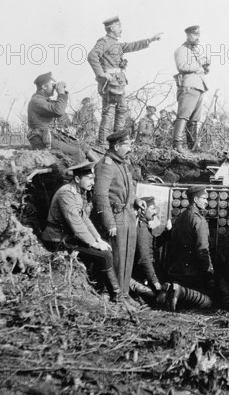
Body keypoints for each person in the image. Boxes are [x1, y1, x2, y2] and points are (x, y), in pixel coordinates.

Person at [41, 162, 126, 304]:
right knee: (104, 255)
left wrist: (98, 239)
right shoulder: (66, 193)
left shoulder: (77, 193)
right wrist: (93, 243)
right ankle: (116, 296)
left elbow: (85, 219)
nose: (93, 182)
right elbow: (76, 223)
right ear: (77, 179)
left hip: (68, 239)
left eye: (93, 178)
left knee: (104, 251)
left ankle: (107, 292)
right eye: (89, 178)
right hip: (57, 240)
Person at [87, 16, 162, 146]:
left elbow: (131, 46)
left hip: (118, 83)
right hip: (110, 84)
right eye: (119, 26)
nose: (121, 29)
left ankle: (117, 142)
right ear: (111, 28)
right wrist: (101, 74)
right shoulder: (104, 42)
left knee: (121, 111)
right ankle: (103, 144)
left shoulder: (115, 43)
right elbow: (92, 55)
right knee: (109, 113)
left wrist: (150, 40)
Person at [92, 130, 147, 296]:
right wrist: (109, 223)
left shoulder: (121, 164)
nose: (130, 148)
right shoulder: (106, 165)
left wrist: (136, 200)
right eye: (127, 144)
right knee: (117, 258)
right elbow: (100, 195)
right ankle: (113, 295)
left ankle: (124, 293)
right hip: (116, 217)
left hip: (127, 215)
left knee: (127, 257)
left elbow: (126, 190)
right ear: (116, 146)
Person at [27, 72, 93, 162]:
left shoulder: (44, 100)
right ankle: (83, 175)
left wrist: (63, 93)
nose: (54, 87)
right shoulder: (37, 101)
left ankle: (100, 169)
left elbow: (60, 109)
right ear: (44, 87)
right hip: (42, 140)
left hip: (50, 137)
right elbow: (58, 111)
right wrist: (61, 93)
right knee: (76, 152)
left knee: (84, 147)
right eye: (52, 85)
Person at [167, 186, 214, 309]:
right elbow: (202, 249)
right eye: (203, 198)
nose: (206, 201)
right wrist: (209, 270)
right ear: (195, 199)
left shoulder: (182, 216)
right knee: (206, 303)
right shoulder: (199, 220)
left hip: (179, 267)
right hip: (193, 270)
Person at [173, 25, 209, 153]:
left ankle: (192, 145)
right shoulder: (181, 50)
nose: (197, 37)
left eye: (198, 35)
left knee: (194, 119)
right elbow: (182, 66)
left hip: (199, 86)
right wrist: (199, 64)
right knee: (183, 116)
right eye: (194, 35)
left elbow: (200, 69)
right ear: (187, 35)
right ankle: (177, 144)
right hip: (189, 86)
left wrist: (205, 66)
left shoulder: (195, 52)